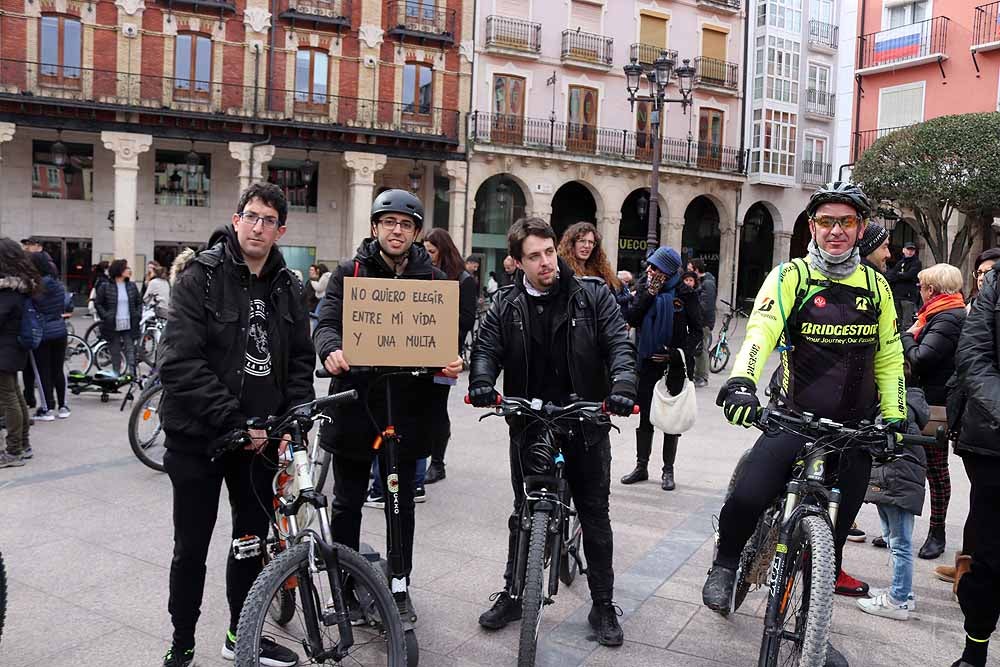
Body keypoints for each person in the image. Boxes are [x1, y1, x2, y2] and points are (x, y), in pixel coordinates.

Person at [702, 182, 903, 666]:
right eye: (827, 222)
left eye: (847, 222)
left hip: (851, 430)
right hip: (795, 417)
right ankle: (727, 563)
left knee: (829, 543)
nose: (836, 231)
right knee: (749, 494)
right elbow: (761, 332)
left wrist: (894, 415)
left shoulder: (877, 288)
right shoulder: (790, 277)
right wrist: (742, 383)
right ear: (812, 226)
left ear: (860, 229)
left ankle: (813, 629)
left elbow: (890, 355)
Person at [157, 182, 314, 667]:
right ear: (236, 218)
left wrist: (294, 416)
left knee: (249, 545)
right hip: (198, 440)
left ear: (280, 230)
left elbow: (300, 364)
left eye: (269, 220)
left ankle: (237, 635)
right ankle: (182, 641)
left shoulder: (289, 287)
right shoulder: (200, 277)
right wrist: (233, 419)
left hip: (258, 447)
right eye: (252, 216)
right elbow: (178, 362)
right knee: (191, 548)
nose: (259, 226)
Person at [469, 217, 637, 647]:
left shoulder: (592, 294)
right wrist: (482, 382)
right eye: (534, 256)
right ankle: (513, 594)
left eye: (549, 252)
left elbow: (619, 343)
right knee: (522, 510)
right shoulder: (506, 305)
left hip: (585, 420)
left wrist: (621, 386)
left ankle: (602, 604)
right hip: (529, 421)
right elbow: (487, 349)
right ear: (517, 262)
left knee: (595, 514)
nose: (546, 263)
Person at [314, 189, 463, 621]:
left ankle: (399, 585)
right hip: (358, 403)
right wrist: (330, 349)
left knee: (400, 504)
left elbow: (445, 340)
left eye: (406, 224)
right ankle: (343, 589)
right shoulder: (349, 273)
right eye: (388, 222)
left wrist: (454, 360)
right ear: (376, 227)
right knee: (347, 502)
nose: (396, 231)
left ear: (416, 233)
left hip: (408, 407)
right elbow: (326, 322)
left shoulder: (434, 280)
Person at [899, 263, 966, 561]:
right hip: (923, 399)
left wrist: (907, 335)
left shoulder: (947, 318)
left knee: (935, 471)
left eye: (923, 286)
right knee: (910, 466)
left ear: (933, 289)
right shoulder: (939, 313)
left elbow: (921, 359)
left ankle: (936, 532)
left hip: (934, 405)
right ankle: (900, 530)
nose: (920, 291)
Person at [951, 262, 1000, 667]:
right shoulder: (996, 284)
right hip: (994, 448)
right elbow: (974, 356)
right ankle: (975, 651)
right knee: (987, 557)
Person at [620, 249, 701, 491]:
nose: (649, 271)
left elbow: (697, 331)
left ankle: (668, 470)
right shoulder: (647, 288)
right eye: (649, 267)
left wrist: (675, 354)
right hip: (647, 361)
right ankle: (641, 466)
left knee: (669, 419)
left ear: (666, 270)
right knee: (645, 414)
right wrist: (649, 295)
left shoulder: (686, 293)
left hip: (672, 366)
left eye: (654, 268)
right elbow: (632, 319)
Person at [856, 374, 928, 620]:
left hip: (897, 482)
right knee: (892, 538)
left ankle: (897, 600)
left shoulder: (897, 409)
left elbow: (882, 441)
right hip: (894, 482)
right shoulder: (899, 403)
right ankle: (903, 593)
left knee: (900, 544)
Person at [422, 226, 478, 484]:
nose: (427, 255)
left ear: (443, 251)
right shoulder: (424, 273)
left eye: (431, 251)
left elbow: (466, 321)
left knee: (436, 407)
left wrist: (438, 318)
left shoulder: (464, 280)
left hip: (445, 354)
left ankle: (438, 462)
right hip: (420, 349)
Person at [0, 238, 40, 467]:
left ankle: (14, 450)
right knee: (15, 395)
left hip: (5, 349)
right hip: (14, 348)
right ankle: (23, 445)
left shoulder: (8, 290)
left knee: (10, 397)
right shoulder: (22, 286)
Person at [29, 252, 69, 421]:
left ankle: (47, 408)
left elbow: (31, 306)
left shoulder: (36, 287)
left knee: (43, 371)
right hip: (60, 329)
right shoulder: (59, 285)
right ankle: (63, 405)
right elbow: (66, 304)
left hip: (43, 332)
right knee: (58, 369)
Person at [94, 259, 141, 377]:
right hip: (112, 324)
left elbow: (139, 302)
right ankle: (116, 375)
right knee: (115, 352)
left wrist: (137, 314)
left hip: (129, 323)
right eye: (126, 268)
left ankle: (133, 376)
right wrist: (105, 316)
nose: (129, 270)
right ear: (118, 270)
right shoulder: (105, 286)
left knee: (130, 350)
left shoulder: (131, 286)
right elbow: (98, 303)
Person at [557, 221, 621, 293]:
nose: (587, 246)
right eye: (582, 241)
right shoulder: (561, 272)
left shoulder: (601, 272)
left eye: (591, 242)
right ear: (571, 244)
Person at [689, 259, 716, 388]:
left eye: (690, 269)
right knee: (697, 347)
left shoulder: (708, 283)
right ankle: (697, 374)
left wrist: (694, 311)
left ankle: (702, 377)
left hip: (703, 322)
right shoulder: (703, 282)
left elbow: (706, 305)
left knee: (702, 348)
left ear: (696, 269)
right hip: (700, 320)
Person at [886, 240, 922, 327]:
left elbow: (909, 275)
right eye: (908, 249)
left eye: (912, 250)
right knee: (896, 322)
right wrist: (900, 275)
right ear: (903, 250)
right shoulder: (900, 262)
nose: (910, 252)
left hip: (908, 297)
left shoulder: (916, 263)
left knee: (907, 323)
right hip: (897, 295)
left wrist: (898, 275)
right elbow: (890, 276)